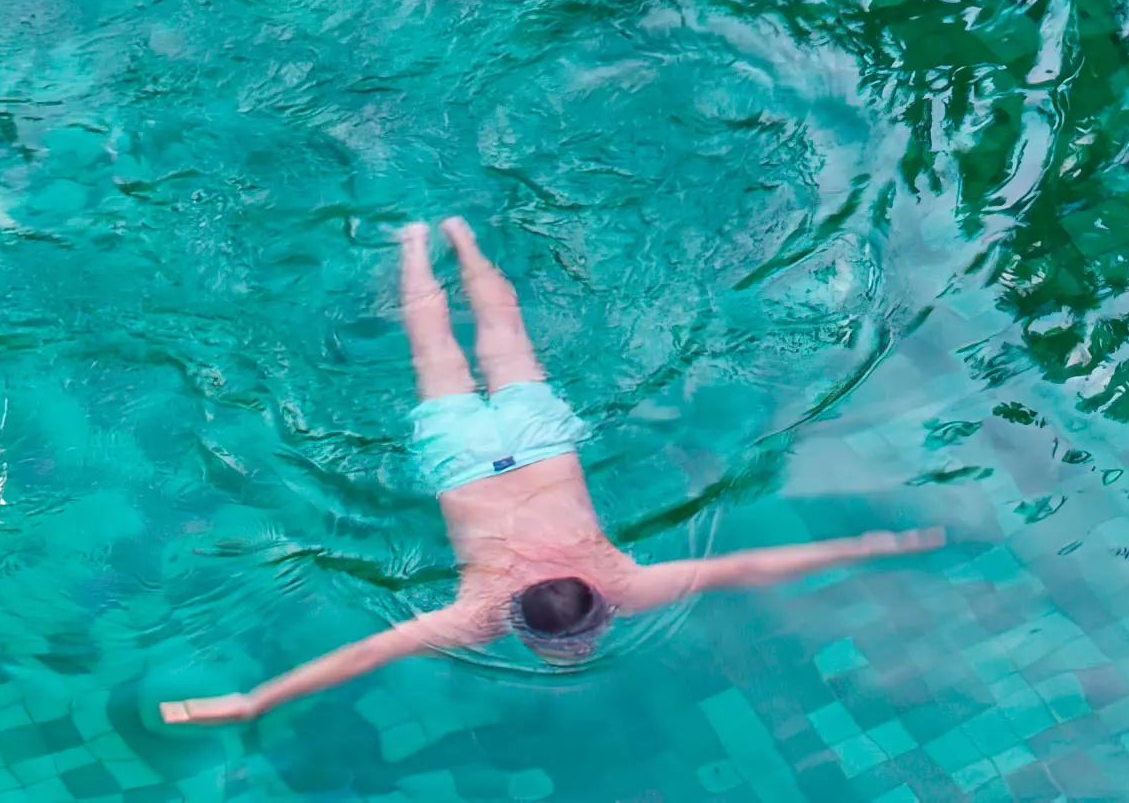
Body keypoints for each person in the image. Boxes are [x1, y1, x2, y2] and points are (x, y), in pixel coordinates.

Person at [160, 217, 940, 725]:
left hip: (536, 442)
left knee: (501, 333)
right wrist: (253, 698)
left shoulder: (616, 584)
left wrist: (871, 545)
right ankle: (422, 245)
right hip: (463, 457)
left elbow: (747, 565)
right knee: (436, 350)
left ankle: (453, 241)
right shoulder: (483, 610)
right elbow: (367, 654)